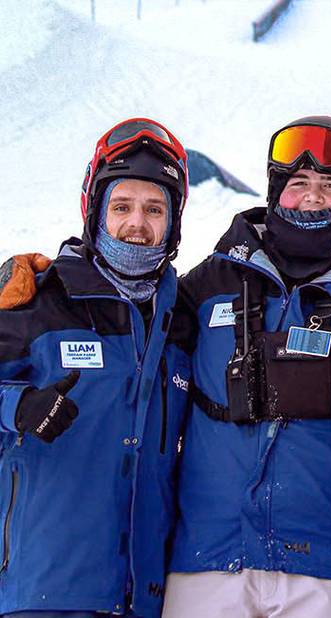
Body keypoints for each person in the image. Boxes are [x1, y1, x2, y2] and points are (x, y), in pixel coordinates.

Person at [161, 116, 331, 618]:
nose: (311, 197)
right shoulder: (205, 288)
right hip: (205, 564)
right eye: (297, 184)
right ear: (275, 191)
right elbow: (124, 347)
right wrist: (52, 291)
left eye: (330, 187)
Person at [0, 118, 190, 616]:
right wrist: (17, 406)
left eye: (155, 210)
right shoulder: (35, 303)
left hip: (147, 597)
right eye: (121, 206)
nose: (137, 224)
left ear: (173, 223)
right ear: (94, 210)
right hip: (43, 590)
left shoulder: (184, 320)